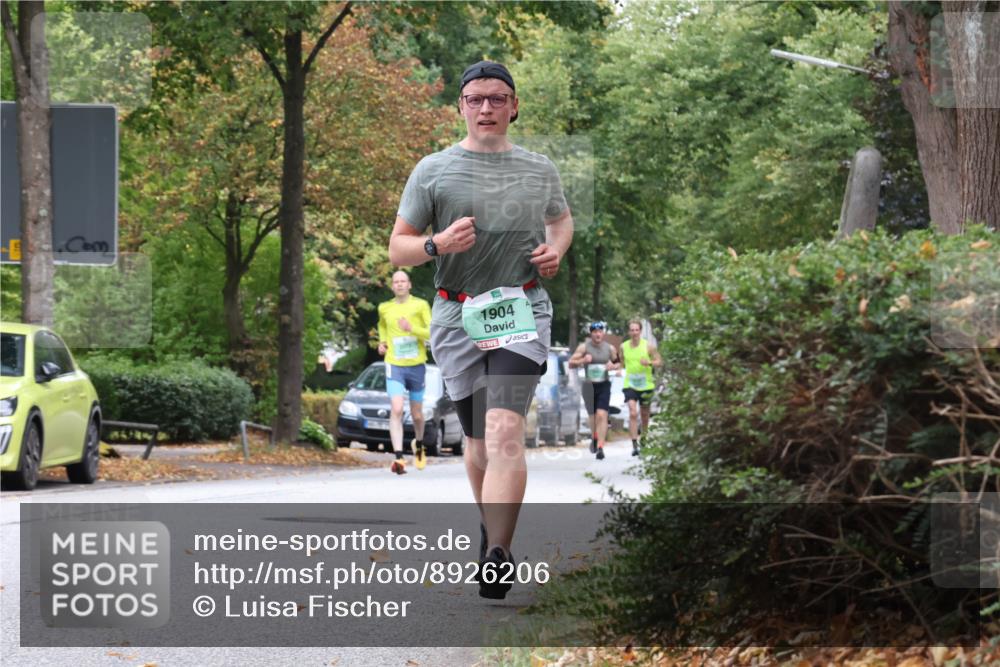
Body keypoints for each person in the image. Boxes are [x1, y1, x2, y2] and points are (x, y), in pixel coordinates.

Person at [388, 61, 573, 599]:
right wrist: (437, 245)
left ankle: (498, 555)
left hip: (521, 311)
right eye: (475, 99)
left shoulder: (539, 169)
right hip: (456, 316)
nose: (486, 108)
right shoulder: (433, 170)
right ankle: (492, 530)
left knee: (504, 430)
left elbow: (560, 220)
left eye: (497, 98)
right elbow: (398, 246)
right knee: (476, 442)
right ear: (461, 107)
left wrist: (554, 250)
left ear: (514, 106)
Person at [376, 270, 432, 474]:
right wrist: (382, 343)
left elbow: (432, 331)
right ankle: (399, 458)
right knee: (397, 408)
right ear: (392, 286)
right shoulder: (384, 308)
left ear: (409, 285)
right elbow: (382, 326)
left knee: (417, 415)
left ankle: (419, 445)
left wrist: (412, 329)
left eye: (403, 281)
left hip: (416, 365)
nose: (399, 284)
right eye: (396, 282)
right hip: (394, 364)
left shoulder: (420, 305)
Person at [568, 321, 619, 460]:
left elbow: (618, 362)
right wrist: (583, 360)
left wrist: (613, 366)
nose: (598, 334)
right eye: (595, 332)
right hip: (589, 385)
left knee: (602, 415)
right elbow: (571, 363)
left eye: (600, 331)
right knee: (592, 416)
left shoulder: (610, 348)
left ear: (603, 333)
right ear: (591, 334)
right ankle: (594, 436)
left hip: (604, 384)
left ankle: (601, 446)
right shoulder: (584, 347)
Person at [621, 319, 662, 456]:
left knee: (644, 415)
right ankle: (634, 444)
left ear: (640, 331)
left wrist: (649, 362)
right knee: (633, 412)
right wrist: (617, 368)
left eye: (636, 330)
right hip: (630, 384)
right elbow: (621, 362)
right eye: (631, 330)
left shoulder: (648, 346)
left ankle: (644, 439)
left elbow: (659, 361)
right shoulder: (623, 346)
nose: (634, 333)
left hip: (646, 384)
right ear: (629, 332)